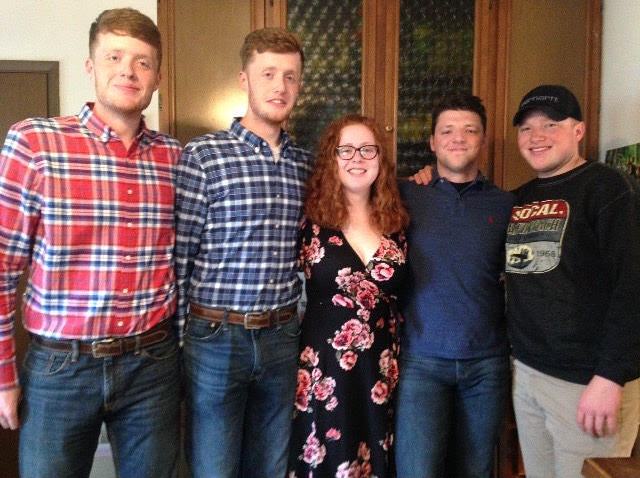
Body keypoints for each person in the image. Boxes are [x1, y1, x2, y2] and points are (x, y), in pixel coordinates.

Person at [0, 8, 181, 478]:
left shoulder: (176, 159)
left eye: (142, 62)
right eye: (114, 57)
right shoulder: (35, 144)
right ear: (90, 66)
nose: (128, 71)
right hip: (60, 368)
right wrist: (3, 376)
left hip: (153, 364)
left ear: (157, 78)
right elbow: (2, 269)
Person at [174, 28, 311, 477]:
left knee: (271, 466)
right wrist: (180, 344)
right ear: (244, 80)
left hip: (281, 338)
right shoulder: (204, 156)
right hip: (216, 338)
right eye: (268, 74)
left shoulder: (306, 164)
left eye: (290, 76)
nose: (280, 86)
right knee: (214, 467)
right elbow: (179, 260)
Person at [506, 84, 640, 477]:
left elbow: (633, 285)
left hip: (589, 383)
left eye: (551, 124)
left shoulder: (609, 187)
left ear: (578, 130)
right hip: (529, 373)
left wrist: (610, 376)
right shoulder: (519, 198)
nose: (537, 136)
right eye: (527, 128)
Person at [395, 95, 514, 477]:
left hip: (487, 365)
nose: (458, 138)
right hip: (421, 362)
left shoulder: (507, 204)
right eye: (447, 131)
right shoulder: (404, 196)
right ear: (432, 142)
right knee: (417, 471)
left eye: (469, 130)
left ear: (483, 140)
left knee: (475, 471)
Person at [288, 114, 409, 477]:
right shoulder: (309, 220)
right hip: (325, 366)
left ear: (380, 159)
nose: (358, 158)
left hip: (381, 364)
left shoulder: (396, 221)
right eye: (346, 150)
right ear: (332, 158)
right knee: (329, 458)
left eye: (368, 149)